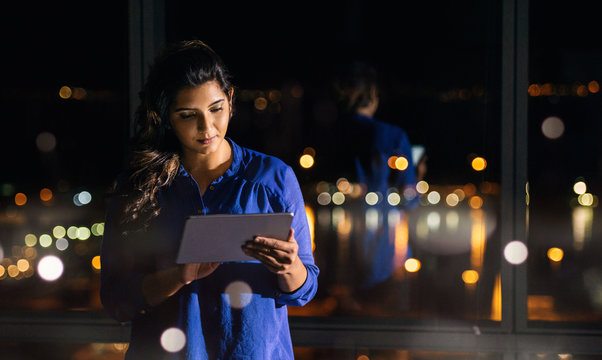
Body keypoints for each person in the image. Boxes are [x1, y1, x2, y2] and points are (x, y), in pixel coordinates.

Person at [100, 40, 319, 359]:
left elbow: (305, 290)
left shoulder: (272, 178)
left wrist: (290, 266)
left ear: (230, 99)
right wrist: (177, 277)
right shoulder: (139, 187)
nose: (207, 128)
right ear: (166, 117)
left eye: (216, 109)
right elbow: (117, 299)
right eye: (188, 115)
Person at [327, 61, 423, 304]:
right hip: (383, 240)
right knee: (380, 316)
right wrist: (418, 174)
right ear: (371, 96)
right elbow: (409, 197)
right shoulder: (392, 136)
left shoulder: (330, 134)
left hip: (336, 237)